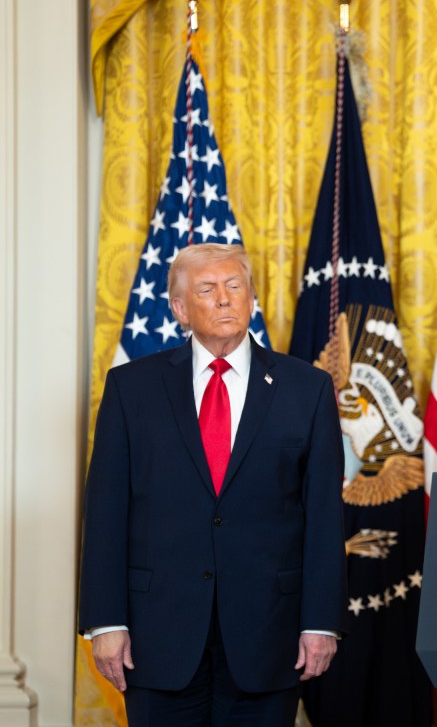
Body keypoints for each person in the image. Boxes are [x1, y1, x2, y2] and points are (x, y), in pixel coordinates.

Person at [78, 243, 346, 726]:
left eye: (234, 286)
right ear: (181, 309)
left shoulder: (307, 388)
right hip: (156, 637)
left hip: (269, 637)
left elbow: (324, 516)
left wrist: (321, 622)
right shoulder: (130, 388)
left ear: (250, 298)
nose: (224, 299)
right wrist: (106, 621)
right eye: (207, 289)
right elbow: (105, 512)